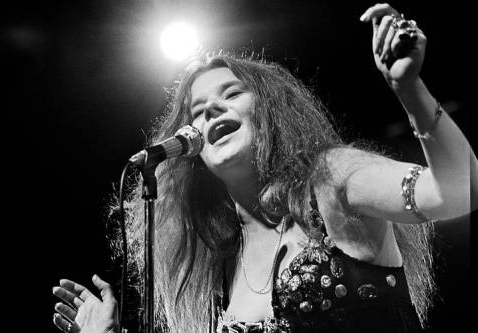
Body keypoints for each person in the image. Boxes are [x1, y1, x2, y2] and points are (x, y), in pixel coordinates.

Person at [52, 3, 476, 333]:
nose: (211, 109)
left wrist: (408, 87)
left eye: (231, 94)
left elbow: (461, 188)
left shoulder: (332, 181)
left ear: (271, 111)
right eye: (197, 112)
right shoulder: (221, 265)